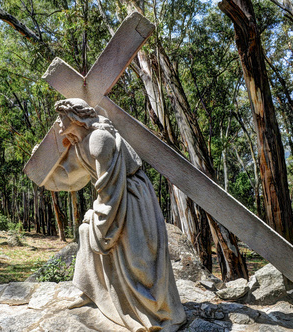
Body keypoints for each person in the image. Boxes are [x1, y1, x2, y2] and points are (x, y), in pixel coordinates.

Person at [40, 98, 186, 331]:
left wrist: (98, 215)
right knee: (85, 230)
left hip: (131, 200)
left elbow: (110, 188)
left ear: (76, 117)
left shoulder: (99, 139)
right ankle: (91, 291)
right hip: (115, 197)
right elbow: (73, 177)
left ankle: (165, 315)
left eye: (61, 117)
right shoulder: (80, 141)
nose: (58, 123)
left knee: (140, 261)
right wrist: (45, 174)